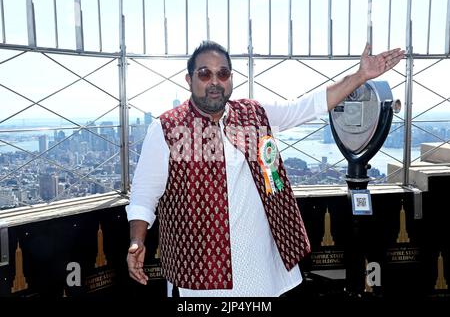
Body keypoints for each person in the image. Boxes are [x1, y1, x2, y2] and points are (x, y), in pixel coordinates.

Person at [126, 40, 404, 297]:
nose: (214, 82)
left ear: (231, 79)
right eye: (204, 74)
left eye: (222, 74)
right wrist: (137, 241)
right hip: (202, 269)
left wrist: (360, 76)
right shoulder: (166, 128)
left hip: (258, 263)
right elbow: (144, 194)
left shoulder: (254, 113)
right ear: (189, 80)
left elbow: (306, 107)